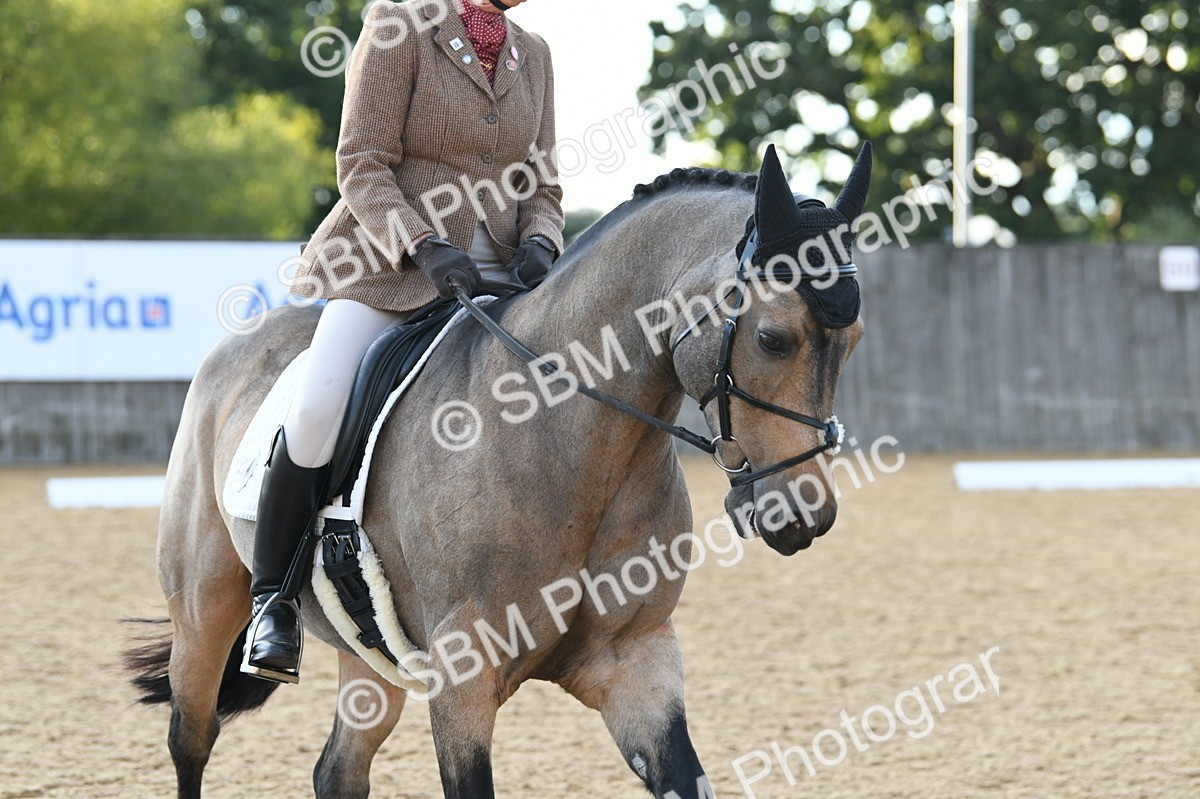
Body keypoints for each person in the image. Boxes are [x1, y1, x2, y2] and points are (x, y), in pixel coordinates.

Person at [243, 0, 564, 684]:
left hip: (504, 275)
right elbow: (362, 162)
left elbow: (543, 184)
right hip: (391, 270)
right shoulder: (398, 25)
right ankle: (272, 599)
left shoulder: (531, 53)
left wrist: (541, 241)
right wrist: (420, 241)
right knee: (318, 406)